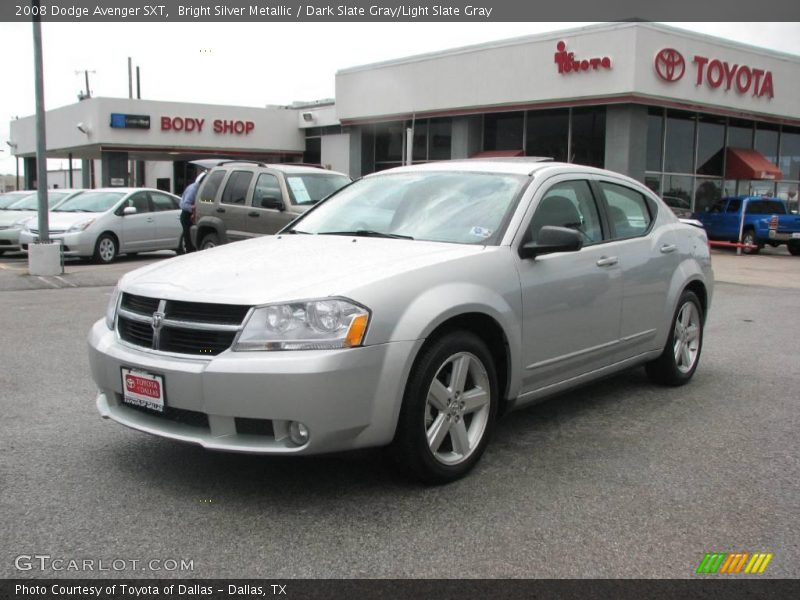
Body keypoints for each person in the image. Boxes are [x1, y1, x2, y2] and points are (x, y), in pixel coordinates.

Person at [179, 171, 205, 253]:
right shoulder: (193, 189)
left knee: (192, 234)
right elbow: (184, 204)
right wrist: (193, 208)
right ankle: (189, 252)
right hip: (187, 215)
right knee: (188, 236)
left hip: (192, 215)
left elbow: (204, 199)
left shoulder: (199, 189)